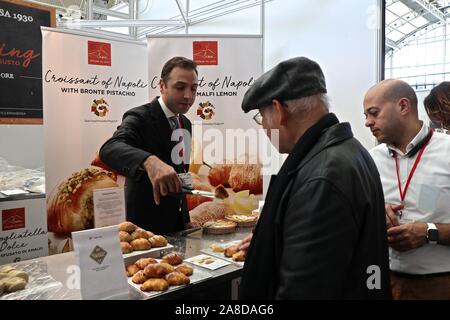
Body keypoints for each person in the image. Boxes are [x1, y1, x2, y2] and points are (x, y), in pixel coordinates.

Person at [238, 57, 391, 299]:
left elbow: (305, 289)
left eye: (261, 118)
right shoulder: (349, 150)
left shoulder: (322, 176)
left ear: (278, 112)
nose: (264, 128)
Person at [363, 79, 450, 299]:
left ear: (403, 106)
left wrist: (429, 232)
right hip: (383, 281)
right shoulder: (371, 160)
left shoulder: (447, 152)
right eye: (365, 115)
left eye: (373, 113)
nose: (367, 122)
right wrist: (375, 212)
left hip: (440, 284)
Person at [99, 56, 198, 234]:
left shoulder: (186, 123)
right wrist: (150, 161)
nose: (188, 96)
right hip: (144, 229)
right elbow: (110, 148)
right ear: (162, 86)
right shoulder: (139, 117)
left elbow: (181, 174)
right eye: (180, 87)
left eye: (193, 88)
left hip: (176, 228)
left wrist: (184, 219)